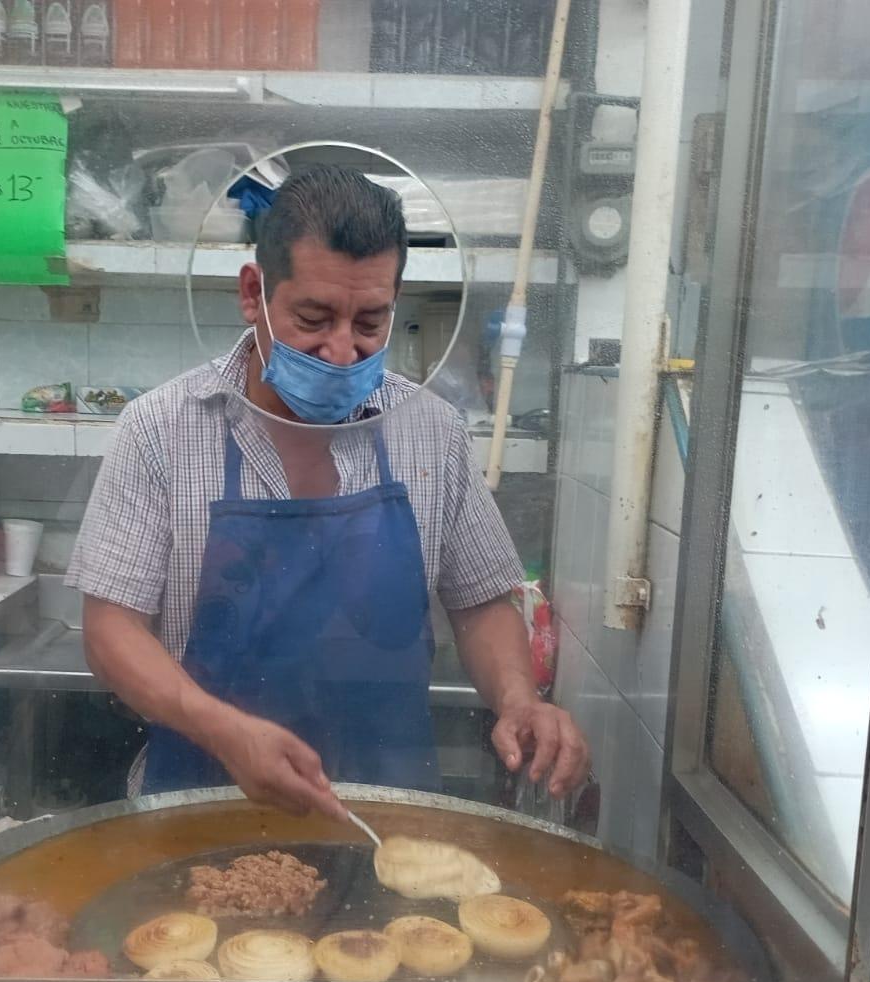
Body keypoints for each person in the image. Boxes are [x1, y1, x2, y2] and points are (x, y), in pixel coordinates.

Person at [69, 165, 588, 820]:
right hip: (200, 807)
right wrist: (226, 731)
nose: (342, 352)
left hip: (386, 812)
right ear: (254, 293)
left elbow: (482, 604)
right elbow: (111, 630)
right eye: (313, 318)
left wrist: (519, 700)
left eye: (371, 322)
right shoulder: (161, 430)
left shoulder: (431, 432)